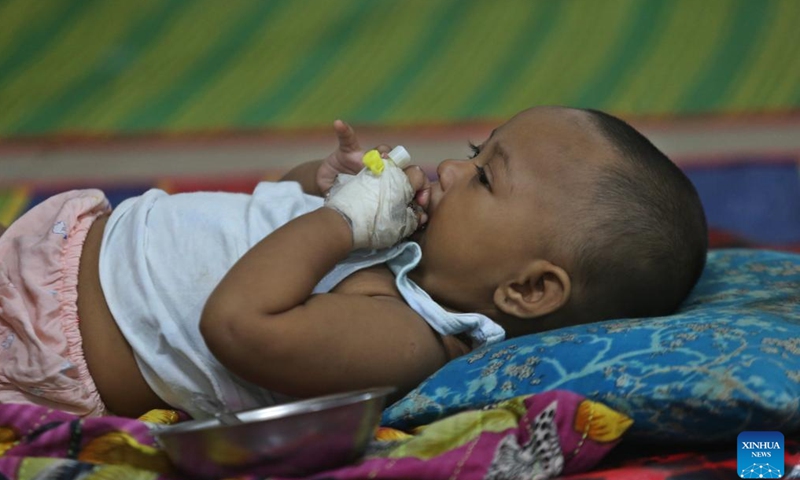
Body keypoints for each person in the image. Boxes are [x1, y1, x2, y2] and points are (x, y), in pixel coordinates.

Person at [0, 106, 707, 420]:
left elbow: (239, 323)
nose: (452, 174)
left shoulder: (407, 338)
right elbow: (264, 219)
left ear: (527, 289)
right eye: (473, 151)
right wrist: (326, 183)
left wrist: (341, 226)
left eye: (486, 178)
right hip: (61, 247)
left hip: (53, 336)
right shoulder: (409, 249)